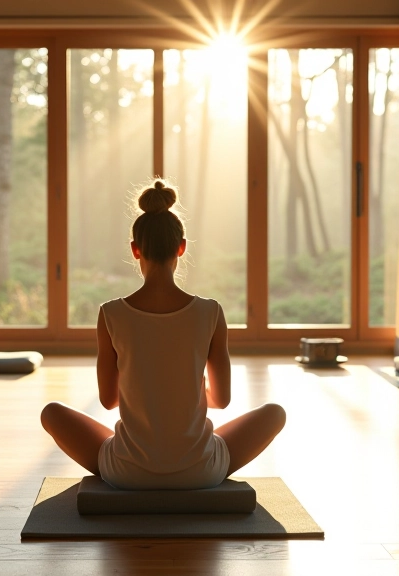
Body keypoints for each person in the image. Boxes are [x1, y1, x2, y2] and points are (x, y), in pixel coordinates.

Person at [40, 179, 286, 489]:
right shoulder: (211, 313)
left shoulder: (110, 314)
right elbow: (221, 400)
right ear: (181, 247)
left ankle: (133, 461)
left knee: (52, 413)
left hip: (126, 474)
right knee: (274, 413)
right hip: (201, 472)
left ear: (135, 250)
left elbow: (109, 400)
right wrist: (183, 393)